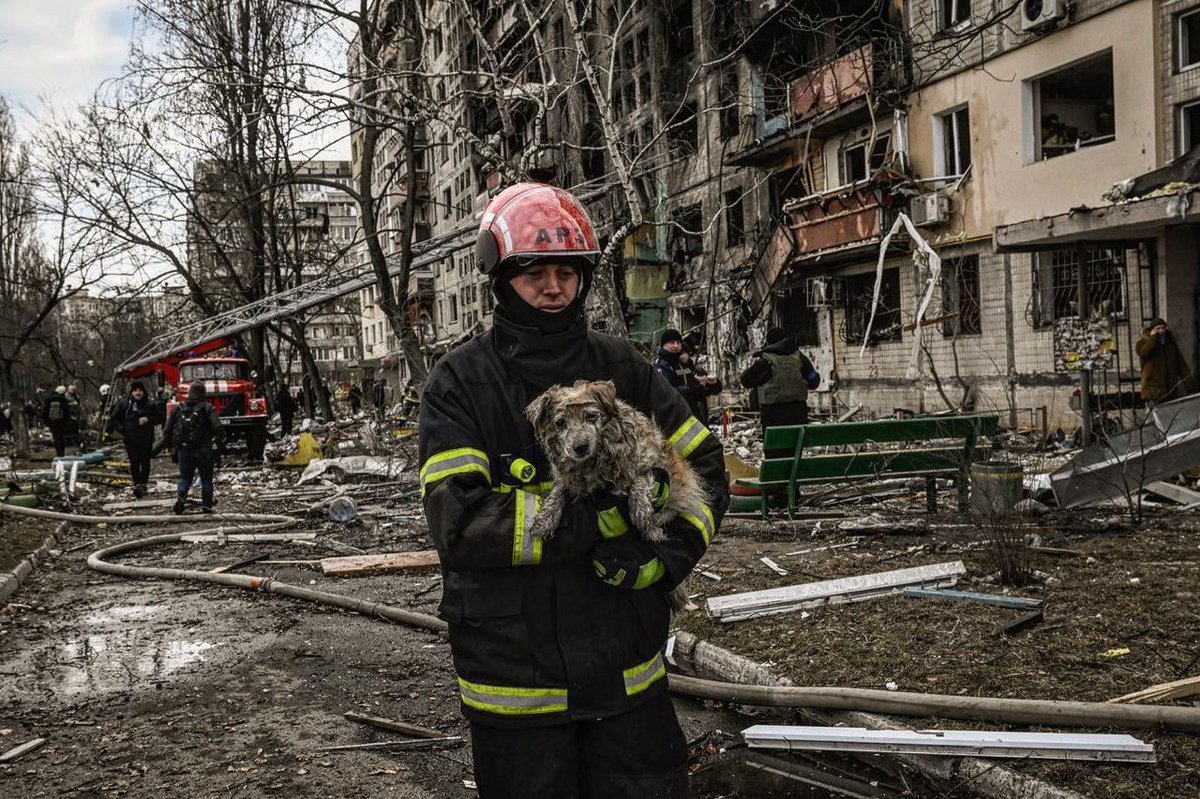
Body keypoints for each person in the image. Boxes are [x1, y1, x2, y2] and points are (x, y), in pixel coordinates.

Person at [420, 182, 727, 798]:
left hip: (627, 678)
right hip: (516, 686)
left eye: (566, 272)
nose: (554, 287)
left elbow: (707, 470)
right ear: (501, 276)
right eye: (535, 273)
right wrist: (600, 523)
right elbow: (459, 522)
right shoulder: (461, 382)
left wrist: (663, 560)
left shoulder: (624, 368)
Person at [739, 326, 820, 429]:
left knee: (776, 444)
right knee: (797, 444)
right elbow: (814, 381)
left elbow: (745, 381)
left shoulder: (765, 361)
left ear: (768, 342)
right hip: (798, 414)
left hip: (772, 417)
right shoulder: (800, 358)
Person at [162, 381, 225, 514]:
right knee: (206, 479)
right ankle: (207, 507)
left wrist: (170, 447)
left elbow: (167, 431)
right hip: (204, 450)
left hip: (184, 450)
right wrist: (219, 443)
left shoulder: (178, 408)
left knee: (184, 478)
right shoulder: (207, 408)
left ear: (189, 393)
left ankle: (181, 497)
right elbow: (218, 427)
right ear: (203, 394)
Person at [107, 381, 163, 497]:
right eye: (135, 390)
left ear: (144, 392)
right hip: (130, 438)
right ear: (131, 392)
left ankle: (143, 484)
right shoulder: (124, 404)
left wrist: (148, 419)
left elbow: (160, 417)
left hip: (146, 438)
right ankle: (137, 485)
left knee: (145, 462)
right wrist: (123, 429)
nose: (138, 393)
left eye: (140, 390)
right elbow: (114, 419)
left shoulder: (150, 404)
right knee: (134, 461)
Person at [652, 329, 719, 424]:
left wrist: (711, 384)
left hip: (692, 414)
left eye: (678, 342)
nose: (675, 345)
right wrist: (686, 391)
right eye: (671, 342)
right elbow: (664, 392)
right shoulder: (660, 365)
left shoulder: (684, 364)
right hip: (674, 417)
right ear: (664, 345)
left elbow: (696, 388)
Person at [1137, 317, 1195, 404]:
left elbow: (1181, 366)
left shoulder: (1170, 345)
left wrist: (1190, 386)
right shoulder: (1143, 343)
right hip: (1153, 391)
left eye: (1163, 328)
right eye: (1158, 329)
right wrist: (1152, 339)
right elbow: (1143, 352)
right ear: (1152, 330)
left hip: (1169, 389)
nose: (1161, 331)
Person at [42, 385, 73, 457]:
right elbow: (66, 412)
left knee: (56, 438)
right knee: (61, 438)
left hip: (52, 422)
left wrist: (47, 422)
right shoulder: (63, 400)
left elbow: (44, 413)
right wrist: (66, 422)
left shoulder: (48, 400)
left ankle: (58, 453)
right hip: (61, 423)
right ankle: (61, 454)